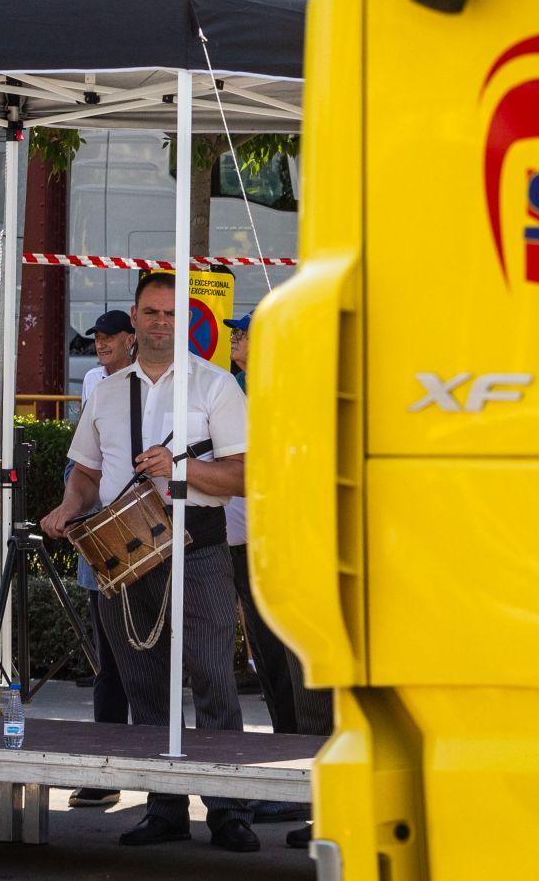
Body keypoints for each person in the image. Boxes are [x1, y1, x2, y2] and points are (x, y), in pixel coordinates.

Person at [39, 272, 257, 853]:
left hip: (199, 544)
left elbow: (243, 474)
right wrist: (66, 506)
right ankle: (163, 805)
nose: (160, 322)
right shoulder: (106, 393)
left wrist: (180, 472)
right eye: (150, 312)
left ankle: (229, 807)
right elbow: (85, 471)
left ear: (182, 321)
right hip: (124, 549)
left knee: (213, 675)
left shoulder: (214, 386)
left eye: (169, 313)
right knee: (143, 682)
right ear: (132, 320)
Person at [221, 310, 330, 841]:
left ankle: (322, 798)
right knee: (271, 667)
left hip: (298, 546)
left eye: (244, 333)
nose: (235, 339)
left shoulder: (294, 392)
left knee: (306, 677)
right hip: (255, 544)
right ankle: (292, 783)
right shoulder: (241, 388)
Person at [66, 307, 137, 810]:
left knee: (157, 667)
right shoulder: (96, 385)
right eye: (98, 337)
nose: (103, 343)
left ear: (132, 339)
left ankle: (170, 786)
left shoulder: (161, 387)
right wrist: (70, 505)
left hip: (150, 540)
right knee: (108, 664)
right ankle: (106, 771)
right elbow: (83, 466)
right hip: (100, 541)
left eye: (111, 336)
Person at [79, 309, 135, 402]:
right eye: (97, 338)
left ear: (129, 341)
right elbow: (87, 416)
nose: (100, 346)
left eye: (108, 337)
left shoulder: (144, 379)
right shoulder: (92, 378)